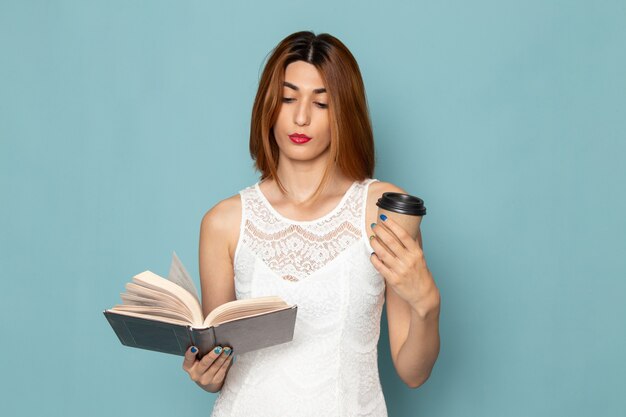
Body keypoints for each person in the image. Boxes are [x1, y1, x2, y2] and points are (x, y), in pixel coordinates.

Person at [182, 31, 441, 416]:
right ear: (268, 106)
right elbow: (218, 362)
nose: (301, 116)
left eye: (321, 103)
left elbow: (413, 371)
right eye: (288, 99)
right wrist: (206, 374)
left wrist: (427, 305)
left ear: (344, 113)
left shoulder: (382, 210)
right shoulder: (223, 222)